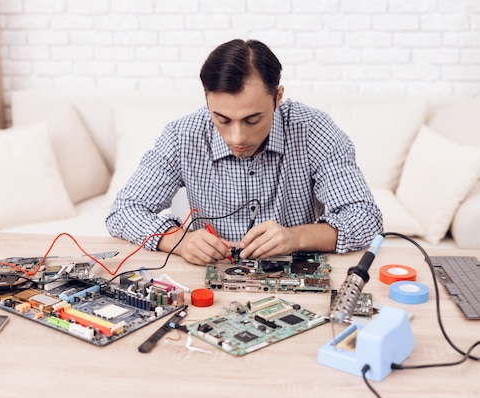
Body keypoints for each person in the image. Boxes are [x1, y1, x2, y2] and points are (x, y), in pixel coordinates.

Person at [106, 39, 382, 265]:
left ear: (278, 97)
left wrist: (296, 237)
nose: (237, 137)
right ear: (207, 101)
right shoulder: (182, 135)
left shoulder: (313, 130)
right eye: (222, 119)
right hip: (210, 281)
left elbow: (366, 219)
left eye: (252, 120)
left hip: (297, 276)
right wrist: (179, 240)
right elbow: (123, 210)